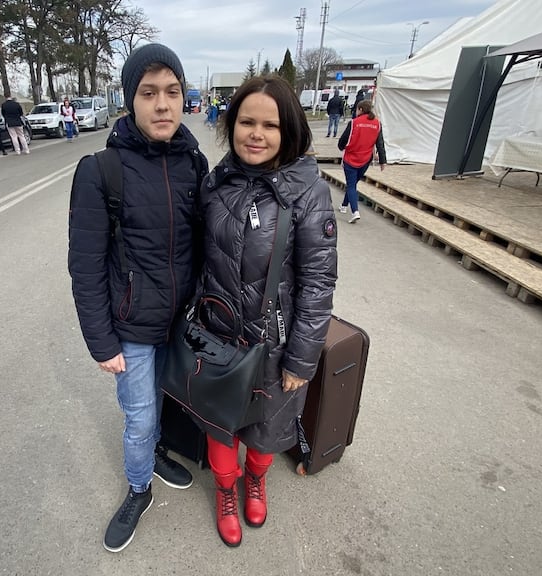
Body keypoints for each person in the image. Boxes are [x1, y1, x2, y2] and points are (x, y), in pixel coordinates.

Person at [68, 43, 206, 554]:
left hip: (182, 323)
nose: (163, 105)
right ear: (131, 100)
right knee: (140, 416)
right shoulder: (101, 170)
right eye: (149, 93)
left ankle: (158, 454)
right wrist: (102, 343)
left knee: (170, 404)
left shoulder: (194, 161)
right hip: (131, 326)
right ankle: (139, 486)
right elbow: (84, 266)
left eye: (172, 91)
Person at [195, 75, 336, 547]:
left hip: (275, 345)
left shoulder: (308, 193)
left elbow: (318, 281)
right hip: (218, 340)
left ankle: (256, 479)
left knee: (265, 430)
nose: (256, 133)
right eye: (246, 122)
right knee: (222, 429)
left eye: (269, 125)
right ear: (231, 124)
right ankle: (225, 489)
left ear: (288, 130)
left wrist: (302, 357)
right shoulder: (216, 183)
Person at [336, 99, 387, 223]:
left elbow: (343, 140)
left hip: (351, 159)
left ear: (361, 110)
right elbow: (380, 143)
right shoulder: (377, 124)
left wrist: (341, 147)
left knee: (351, 185)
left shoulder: (354, 123)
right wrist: (382, 160)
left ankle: (355, 211)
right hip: (365, 160)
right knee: (352, 184)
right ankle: (343, 205)